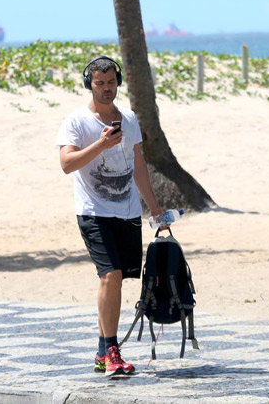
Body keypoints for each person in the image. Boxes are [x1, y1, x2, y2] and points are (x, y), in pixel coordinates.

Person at [55, 56, 167, 377]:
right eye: (99, 83)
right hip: (93, 212)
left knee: (118, 281)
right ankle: (113, 351)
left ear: (118, 82)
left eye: (110, 82)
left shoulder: (129, 119)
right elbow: (66, 164)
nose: (106, 88)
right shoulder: (76, 122)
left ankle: (103, 353)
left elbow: (139, 165)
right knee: (110, 276)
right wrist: (101, 145)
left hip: (127, 213)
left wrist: (155, 209)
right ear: (88, 84)